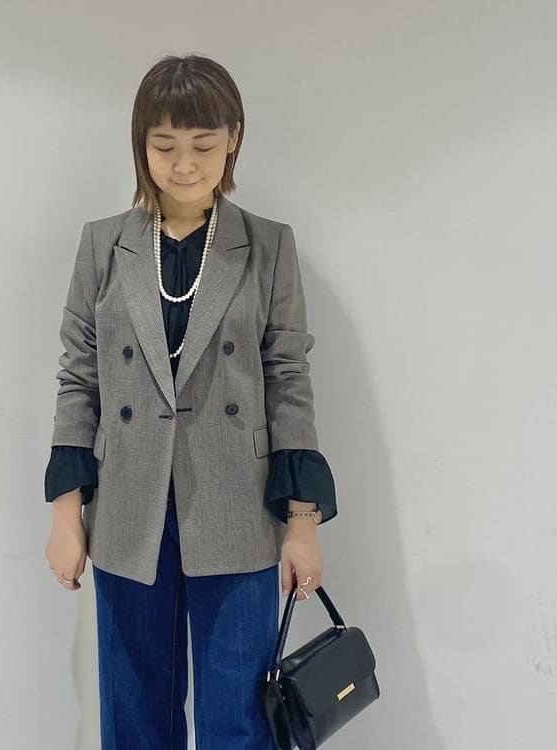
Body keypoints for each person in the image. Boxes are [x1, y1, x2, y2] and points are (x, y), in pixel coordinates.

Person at [43, 53, 338, 750]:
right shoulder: (102, 245)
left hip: (237, 510)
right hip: (128, 511)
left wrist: (302, 524)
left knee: (238, 722)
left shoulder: (267, 246)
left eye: (203, 145)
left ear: (233, 138)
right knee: (134, 718)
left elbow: (288, 379)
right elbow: (79, 378)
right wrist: (64, 516)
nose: (183, 165)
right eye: (165, 145)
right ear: (140, 144)